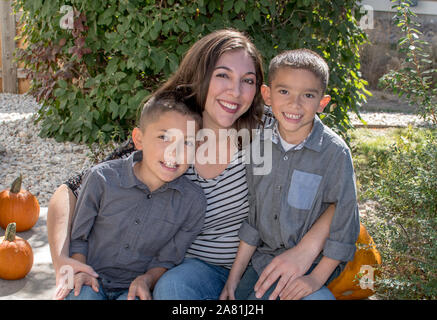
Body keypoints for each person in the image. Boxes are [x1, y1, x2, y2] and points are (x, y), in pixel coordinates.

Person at [48, 29, 336, 300]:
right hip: (193, 270)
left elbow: (341, 189)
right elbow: (72, 189)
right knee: (173, 288)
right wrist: (64, 259)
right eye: (223, 75)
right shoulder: (173, 129)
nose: (235, 92)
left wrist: (305, 252)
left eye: (247, 80)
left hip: (263, 264)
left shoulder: (274, 128)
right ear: (201, 75)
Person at [220, 49, 360, 300]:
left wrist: (315, 279)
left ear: (322, 103)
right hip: (262, 262)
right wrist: (233, 278)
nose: (295, 105)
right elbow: (253, 220)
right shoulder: (258, 147)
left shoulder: (334, 153)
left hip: (313, 267)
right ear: (267, 95)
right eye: (284, 91)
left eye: (307, 95)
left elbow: (344, 222)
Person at [62, 92, 206, 300]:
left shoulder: (193, 203)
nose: (174, 152)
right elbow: (78, 238)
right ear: (139, 139)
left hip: (134, 289)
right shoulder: (101, 179)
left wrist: (147, 280)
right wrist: (81, 271)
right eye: (164, 137)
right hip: (89, 278)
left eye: (187, 143)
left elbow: (166, 260)